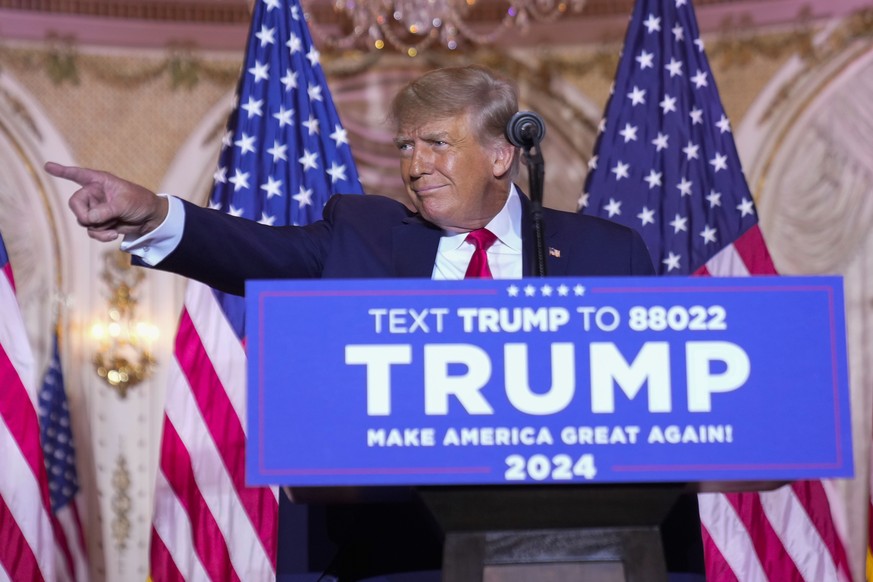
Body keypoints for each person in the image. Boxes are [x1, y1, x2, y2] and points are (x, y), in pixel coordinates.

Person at [46, 65, 701, 580]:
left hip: (571, 549)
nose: (415, 166)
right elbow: (253, 252)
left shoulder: (602, 251)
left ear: (502, 155)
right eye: (406, 146)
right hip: (398, 549)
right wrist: (154, 214)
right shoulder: (361, 234)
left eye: (437, 144)